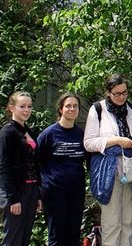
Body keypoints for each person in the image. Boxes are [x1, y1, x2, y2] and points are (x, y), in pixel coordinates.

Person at [84, 73, 132, 246]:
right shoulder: (98, 109)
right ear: (108, 92)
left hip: (131, 169)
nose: (121, 97)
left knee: (129, 221)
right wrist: (116, 141)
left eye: (124, 92)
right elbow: (88, 143)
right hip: (109, 172)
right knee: (112, 221)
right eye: (117, 93)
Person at [37, 92, 86, 246]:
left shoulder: (81, 135)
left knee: (73, 234)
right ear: (60, 109)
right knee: (56, 236)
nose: (72, 109)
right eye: (68, 106)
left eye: (75, 106)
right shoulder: (48, 134)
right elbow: (36, 161)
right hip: (54, 191)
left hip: (76, 192)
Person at [0, 91, 40, 246]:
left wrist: (38, 194)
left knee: (24, 237)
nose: (27, 110)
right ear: (11, 108)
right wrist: (13, 198)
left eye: (29, 106)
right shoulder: (7, 133)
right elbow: (4, 167)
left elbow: (35, 163)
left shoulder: (29, 131)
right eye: (22, 106)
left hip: (31, 190)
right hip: (15, 192)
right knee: (12, 238)